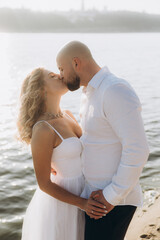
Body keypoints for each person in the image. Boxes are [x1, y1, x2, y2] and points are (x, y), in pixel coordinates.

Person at [56, 41, 150, 240]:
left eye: (62, 68)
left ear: (76, 62)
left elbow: (137, 149)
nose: (61, 76)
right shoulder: (89, 93)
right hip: (96, 198)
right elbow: (95, 142)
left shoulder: (114, 90)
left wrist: (111, 196)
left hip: (112, 202)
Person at [17, 68, 107, 240]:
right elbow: (44, 183)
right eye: (52, 76)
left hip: (85, 190)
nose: (60, 75)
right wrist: (83, 203)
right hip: (64, 202)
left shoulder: (67, 115)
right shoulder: (43, 128)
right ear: (41, 89)